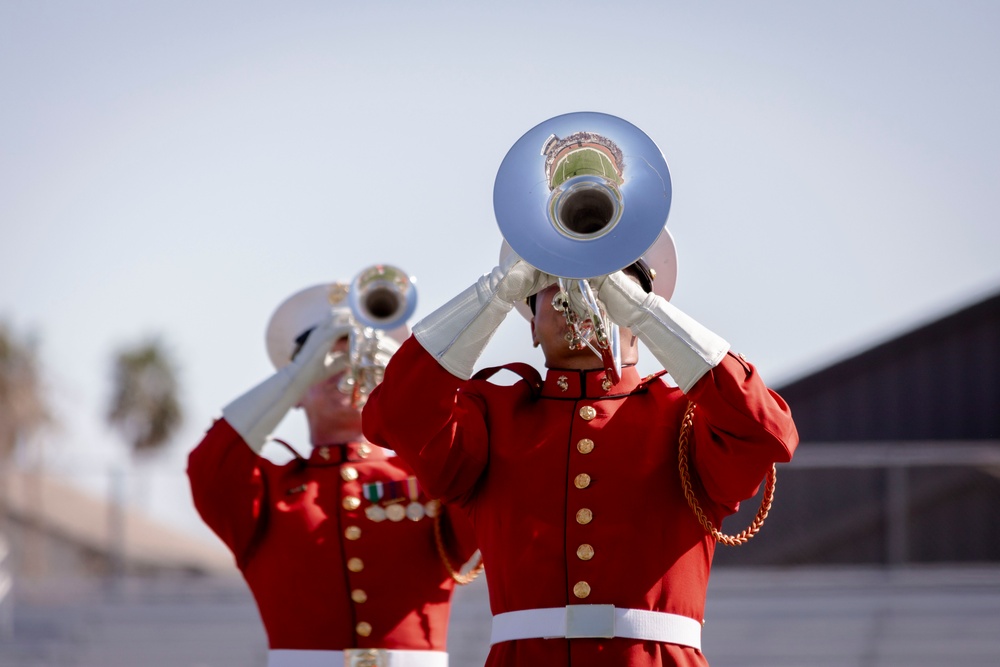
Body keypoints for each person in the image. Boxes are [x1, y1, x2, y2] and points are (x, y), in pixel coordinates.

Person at [362, 235, 799, 667]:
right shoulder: (493, 415)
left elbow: (766, 431)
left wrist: (646, 311)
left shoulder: (686, 418)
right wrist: (496, 294)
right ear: (531, 325)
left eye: (608, 276)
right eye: (551, 283)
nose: (581, 290)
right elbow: (396, 415)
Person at [188, 280, 478, 667]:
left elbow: (485, 466)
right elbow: (210, 466)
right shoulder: (271, 489)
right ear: (295, 391)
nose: (345, 365)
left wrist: (406, 371)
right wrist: (295, 376)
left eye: (353, 355)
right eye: (325, 358)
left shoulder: (430, 476)